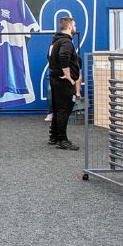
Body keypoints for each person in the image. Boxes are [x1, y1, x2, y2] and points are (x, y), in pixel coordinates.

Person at [47, 16, 81, 150]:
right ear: (70, 27)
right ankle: (62, 140)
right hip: (63, 82)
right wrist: (67, 75)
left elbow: (49, 56)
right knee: (64, 110)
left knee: (57, 109)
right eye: (75, 25)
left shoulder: (55, 42)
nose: (75, 28)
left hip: (55, 79)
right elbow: (63, 56)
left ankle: (54, 137)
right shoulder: (66, 42)